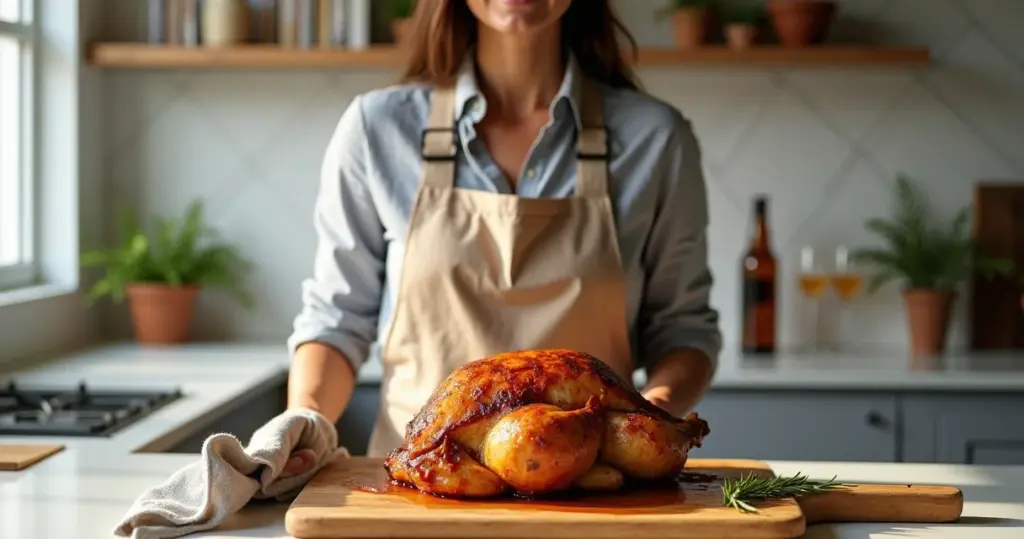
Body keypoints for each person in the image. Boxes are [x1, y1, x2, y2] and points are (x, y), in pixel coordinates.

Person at [281, 0, 721, 475]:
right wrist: (304, 421)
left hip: (593, 493)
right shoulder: (376, 129)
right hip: (418, 488)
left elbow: (683, 331)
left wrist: (646, 420)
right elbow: (336, 322)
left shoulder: (655, 139)